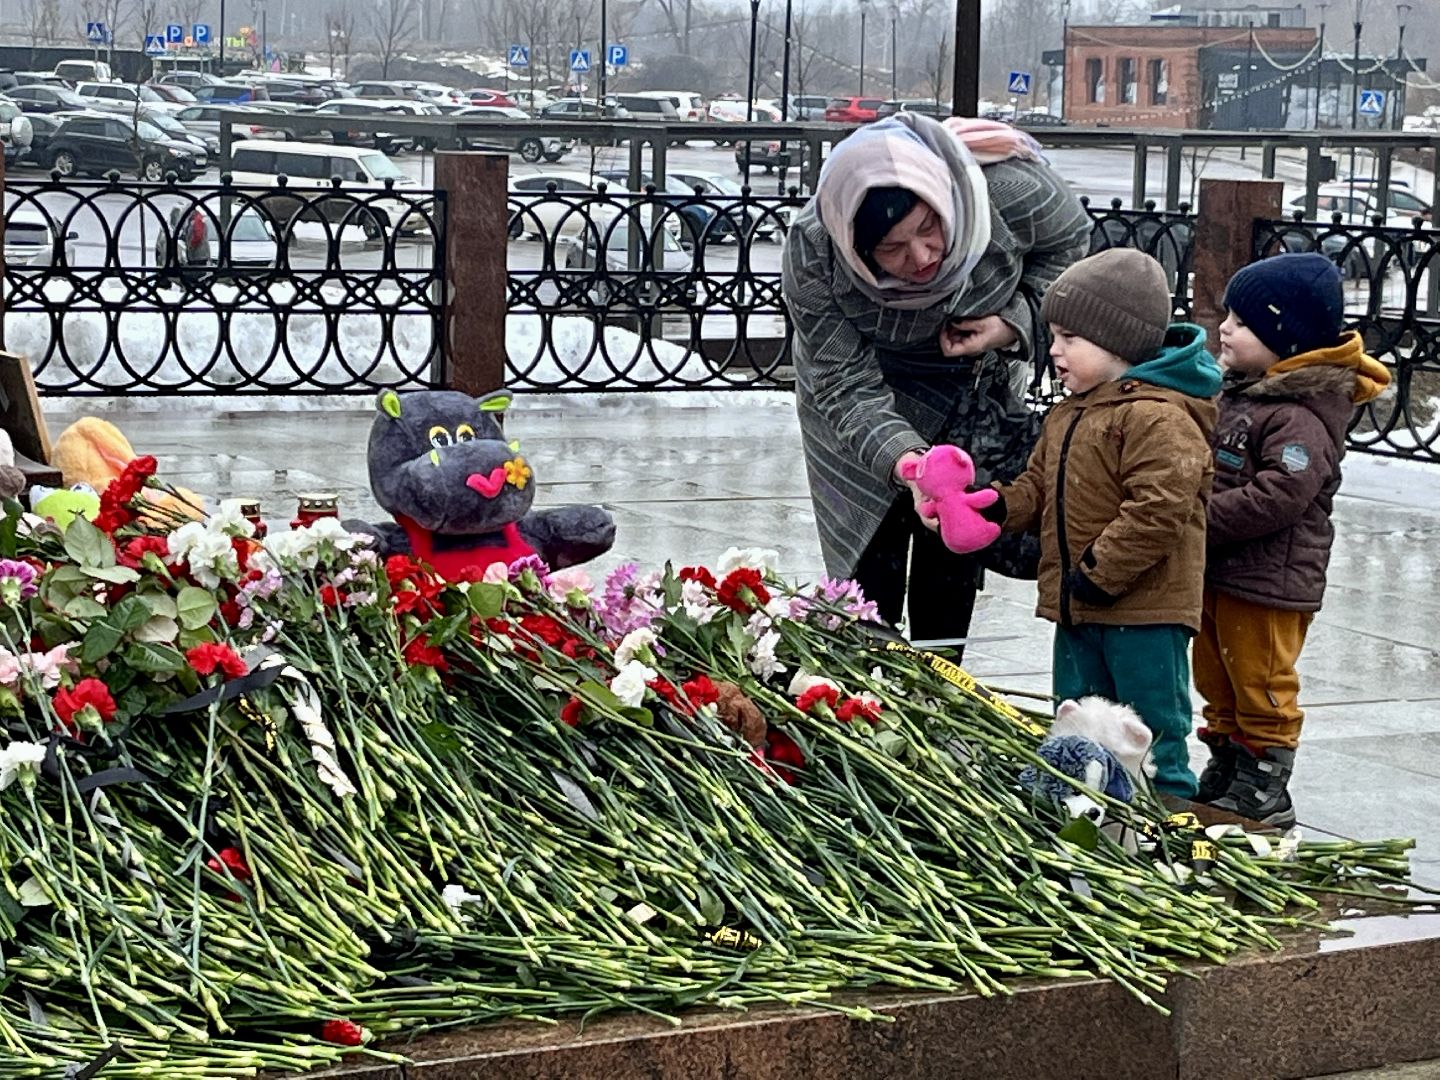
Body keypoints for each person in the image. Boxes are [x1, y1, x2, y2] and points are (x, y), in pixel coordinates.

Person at [782, 113, 1090, 643]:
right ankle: (870, 695)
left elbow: (1071, 248)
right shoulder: (816, 246)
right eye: (892, 250)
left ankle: (943, 690)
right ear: (855, 247)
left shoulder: (1009, 190)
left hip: (968, 390)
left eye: (929, 229)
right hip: (859, 400)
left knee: (951, 556)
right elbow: (842, 383)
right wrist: (909, 463)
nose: (922, 258)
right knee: (866, 584)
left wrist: (1011, 323)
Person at [975, 249, 1222, 797]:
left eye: (1069, 338)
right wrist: (996, 505)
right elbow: (1038, 487)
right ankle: (1089, 811)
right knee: (1079, 720)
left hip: (1145, 608)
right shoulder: (1072, 410)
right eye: (1054, 336)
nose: (1055, 351)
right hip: (1078, 602)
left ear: (1117, 342)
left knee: (1150, 728)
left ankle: (1171, 822)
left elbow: (1159, 506)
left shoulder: (1159, 415)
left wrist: (1100, 570)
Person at [1192, 253, 1391, 826]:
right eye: (1228, 315)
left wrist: (1199, 519)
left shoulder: (1300, 414)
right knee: (1217, 675)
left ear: (1286, 339)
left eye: (1243, 322)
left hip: (1269, 582)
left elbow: (1281, 494)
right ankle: (1227, 761)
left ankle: (1266, 779)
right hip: (1222, 569)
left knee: (1261, 682)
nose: (1225, 328)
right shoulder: (1246, 391)